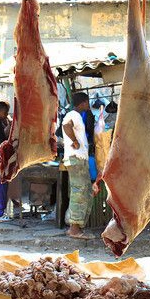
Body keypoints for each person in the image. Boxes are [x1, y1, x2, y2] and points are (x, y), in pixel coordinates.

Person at [62, 92, 93, 239]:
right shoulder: (73, 115)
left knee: (82, 191)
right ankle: (74, 230)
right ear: (83, 102)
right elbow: (66, 126)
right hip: (76, 159)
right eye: (87, 102)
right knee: (79, 192)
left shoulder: (76, 115)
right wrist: (75, 141)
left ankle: (74, 227)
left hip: (78, 159)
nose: (88, 105)